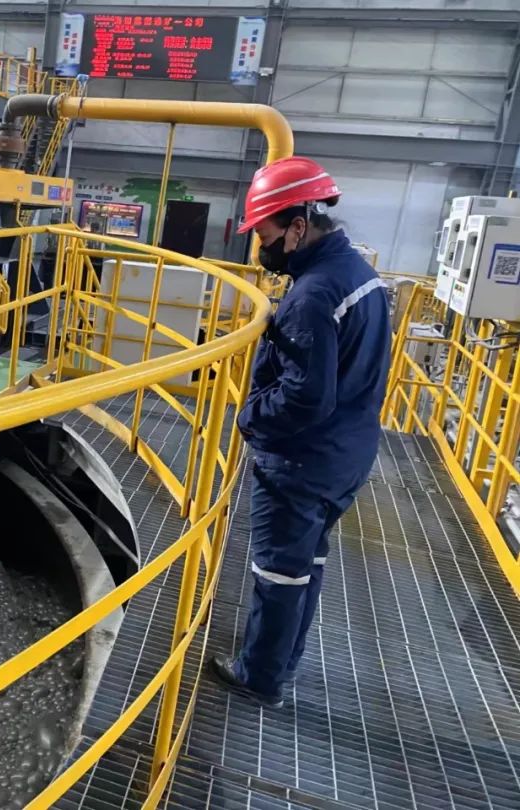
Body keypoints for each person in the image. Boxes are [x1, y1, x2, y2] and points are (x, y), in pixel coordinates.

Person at [209, 156, 391, 709]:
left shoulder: (313, 295)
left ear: (297, 225)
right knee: (304, 566)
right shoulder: (359, 274)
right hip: (347, 453)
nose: (260, 248)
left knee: (277, 573)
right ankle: (283, 659)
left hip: (302, 462)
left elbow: (306, 396)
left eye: (265, 235)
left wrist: (249, 418)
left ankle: (259, 677)